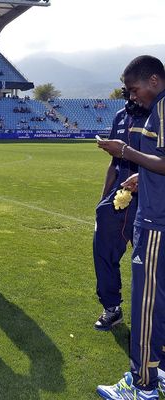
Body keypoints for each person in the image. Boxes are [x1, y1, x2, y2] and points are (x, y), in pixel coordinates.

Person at [96, 55, 165, 400]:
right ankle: (159, 367)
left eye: (133, 89)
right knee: (160, 299)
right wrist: (143, 174)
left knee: (147, 303)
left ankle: (142, 385)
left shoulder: (162, 109)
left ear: (154, 80)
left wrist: (126, 152)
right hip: (154, 208)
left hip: (156, 221)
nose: (131, 96)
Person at [92, 89, 148, 332]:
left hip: (149, 197)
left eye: (135, 92)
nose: (131, 99)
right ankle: (111, 307)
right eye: (128, 93)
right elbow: (114, 163)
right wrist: (103, 198)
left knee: (148, 262)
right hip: (118, 195)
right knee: (102, 250)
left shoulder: (156, 116)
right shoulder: (120, 116)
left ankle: (148, 320)